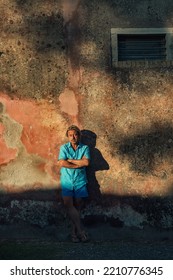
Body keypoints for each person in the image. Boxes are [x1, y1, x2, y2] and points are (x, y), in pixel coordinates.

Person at [58, 125, 90, 242]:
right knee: (69, 205)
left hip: (80, 181)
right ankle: (81, 232)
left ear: (79, 136)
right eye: (70, 135)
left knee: (77, 207)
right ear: (68, 136)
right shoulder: (64, 148)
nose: (73, 137)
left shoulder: (85, 148)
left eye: (75, 134)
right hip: (67, 181)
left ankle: (73, 233)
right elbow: (62, 163)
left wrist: (70, 161)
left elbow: (86, 163)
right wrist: (78, 164)